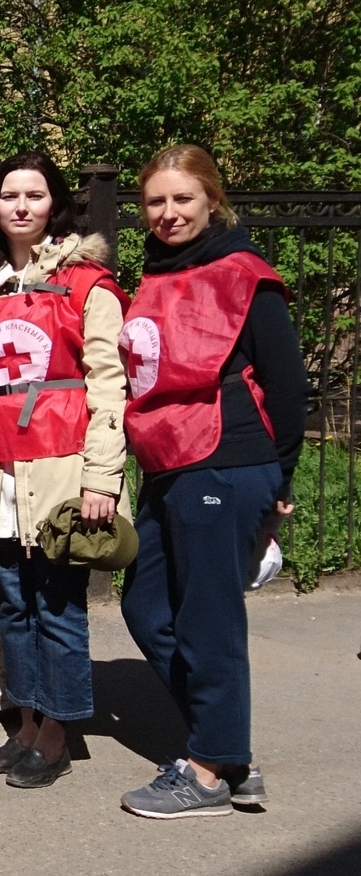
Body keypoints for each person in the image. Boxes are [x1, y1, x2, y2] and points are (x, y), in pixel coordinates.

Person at [116, 145, 307, 818]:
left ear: (211, 200)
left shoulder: (243, 273)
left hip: (226, 458)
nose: (168, 213)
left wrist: (281, 477)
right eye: (156, 202)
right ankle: (228, 749)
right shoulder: (158, 271)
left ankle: (206, 772)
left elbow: (286, 384)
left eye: (182, 199)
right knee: (145, 604)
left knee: (208, 619)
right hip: (169, 456)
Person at [0, 153, 127, 790]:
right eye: (9, 195)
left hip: (61, 469)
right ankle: (25, 718)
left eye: (35, 195)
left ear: (56, 203)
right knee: (14, 605)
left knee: (58, 606)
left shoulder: (87, 283)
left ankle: (58, 731)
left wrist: (102, 478)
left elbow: (107, 385)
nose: (21, 206)